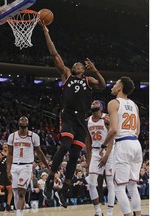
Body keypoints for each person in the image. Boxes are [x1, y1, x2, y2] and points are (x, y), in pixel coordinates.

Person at [40, 22, 106, 208]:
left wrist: (95, 69)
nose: (76, 65)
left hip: (81, 120)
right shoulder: (66, 74)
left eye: (79, 65)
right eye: (75, 64)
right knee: (65, 146)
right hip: (68, 115)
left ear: (83, 69)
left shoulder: (89, 80)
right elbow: (54, 54)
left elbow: (102, 85)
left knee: (76, 154)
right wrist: (46, 33)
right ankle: (50, 179)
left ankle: (65, 187)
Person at [98, 77, 143, 216]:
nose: (113, 85)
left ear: (120, 88)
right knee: (132, 185)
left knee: (119, 187)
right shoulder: (134, 105)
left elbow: (114, 130)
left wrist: (104, 145)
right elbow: (138, 130)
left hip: (123, 144)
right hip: (136, 143)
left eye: (116, 83)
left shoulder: (113, 103)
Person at [6, 116, 50, 216]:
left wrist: (47, 166)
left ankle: (19, 214)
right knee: (16, 193)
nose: (23, 120)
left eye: (25, 119)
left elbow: (39, 153)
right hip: (14, 166)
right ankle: (19, 212)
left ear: (28, 123)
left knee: (22, 192)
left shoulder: (33, 136)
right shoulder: (12, 136)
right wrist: (8, 170)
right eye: (21, 119)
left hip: (26, 166)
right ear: (18, 122)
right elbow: (9, 154)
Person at [85, 100, 115, 216]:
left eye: (96, 103)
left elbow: (111, 137)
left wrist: (107, 155)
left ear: (101, 108)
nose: (93, 103)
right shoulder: (88, 121)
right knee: (92, 183)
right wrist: (88, 161)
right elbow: (87, 142)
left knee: (110, 183)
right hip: (96, 151)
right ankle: (98, 212)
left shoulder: (106, 119)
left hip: (109, 150)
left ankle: (110, 213)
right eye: (92, 102)